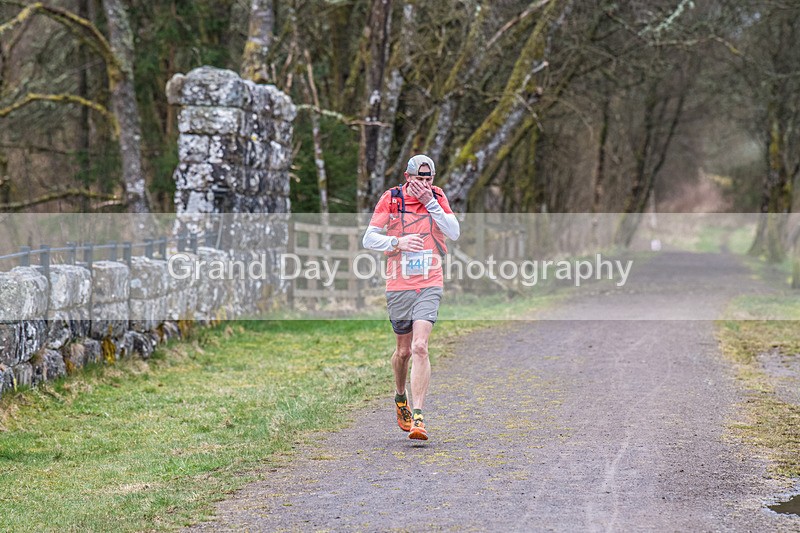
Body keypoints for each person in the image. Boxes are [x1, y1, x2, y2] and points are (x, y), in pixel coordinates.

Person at [362, 154, 460, 440]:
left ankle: (418, 417)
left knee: (420, 347)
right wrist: (397, 242)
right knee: (403, 352)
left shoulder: (437, 197)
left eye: (429, 180)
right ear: (408, 178)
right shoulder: (391, 199)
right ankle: (400, 396)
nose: (425, 185)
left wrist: (431, 202)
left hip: (430, 282)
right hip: (398, 284)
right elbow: (368, 239)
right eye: (420, 180)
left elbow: (453, 233)